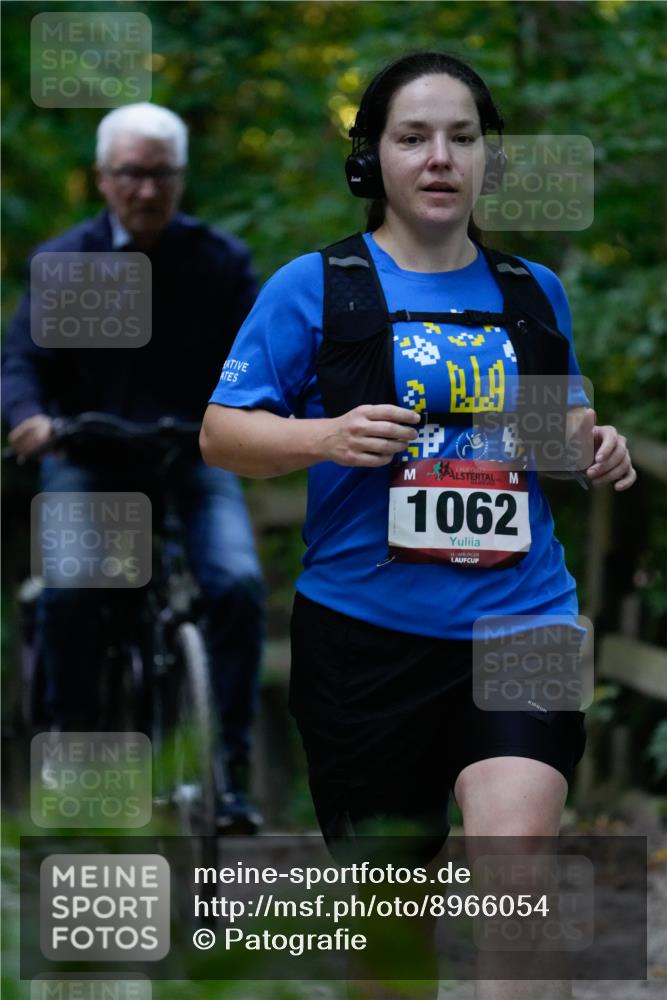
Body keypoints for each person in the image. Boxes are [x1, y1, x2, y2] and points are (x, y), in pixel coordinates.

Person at [200, 52, 636, 996]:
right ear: (372, 160)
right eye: (413, 138)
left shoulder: (531, 290)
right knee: (388, 928)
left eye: (462, 138)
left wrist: (593, 444)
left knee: (516, 859)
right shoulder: (316, 287)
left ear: (485, 158)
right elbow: (221, 435)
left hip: (523, 614)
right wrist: (324, 435)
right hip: (364, 636)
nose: (440, 158)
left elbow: (556, 428)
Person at [2, 102, 265, 833]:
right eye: (130, 174)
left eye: (161, 175)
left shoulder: (218, 263)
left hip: (192, 455)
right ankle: (76, 755)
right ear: (102, 178)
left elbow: (259, 358)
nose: (146, 190)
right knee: (73, 590)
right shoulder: (67, 262)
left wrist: (256, 412)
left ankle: (228, 773)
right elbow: (21, 360)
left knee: (237, 584)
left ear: (181, 178)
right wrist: (29, 417)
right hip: (88, 457)